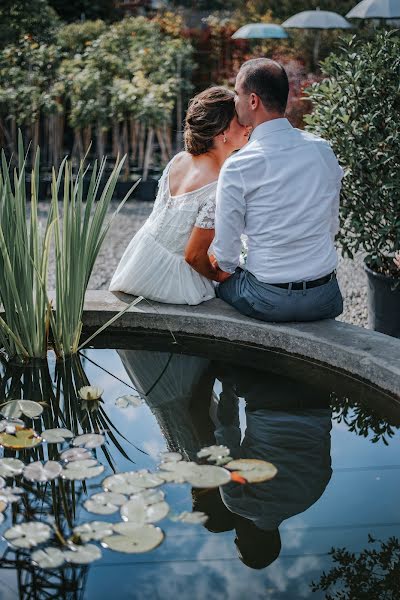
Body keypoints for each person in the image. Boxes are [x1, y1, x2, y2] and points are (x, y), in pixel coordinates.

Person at [211, 58, 344, 322]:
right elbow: (331, 225)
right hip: (325, 296)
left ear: (252, 101)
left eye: (237, 93)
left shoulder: (239, 166)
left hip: (268, 299)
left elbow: (225, 258)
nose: (234, 101)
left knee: (211, 286)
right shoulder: (322, 150)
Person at [109, 86, 248, 304]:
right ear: (222, 131)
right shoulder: (220, 183)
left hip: (139, 262)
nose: (248, 125)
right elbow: (193, 255)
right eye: (240, 120)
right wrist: (217, 275)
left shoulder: (180, 159)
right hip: (173, 281)